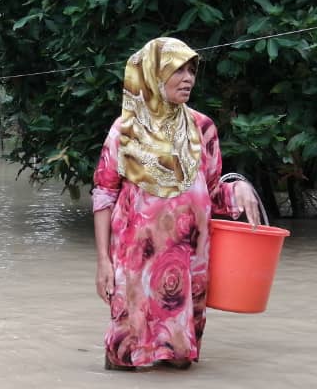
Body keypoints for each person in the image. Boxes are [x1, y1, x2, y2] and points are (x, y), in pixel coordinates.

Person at [92, 37, 263, 371]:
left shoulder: (203, 129)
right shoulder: (125, 131)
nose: (188, 78)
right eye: (177, 70)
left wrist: (238, 185)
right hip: (135, 262)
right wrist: (102, 261)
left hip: (186, 263)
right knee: (127, 358)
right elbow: (103, 193)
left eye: (191, 70)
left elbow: (211, 192)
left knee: (180, 360)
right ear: (154, 74)